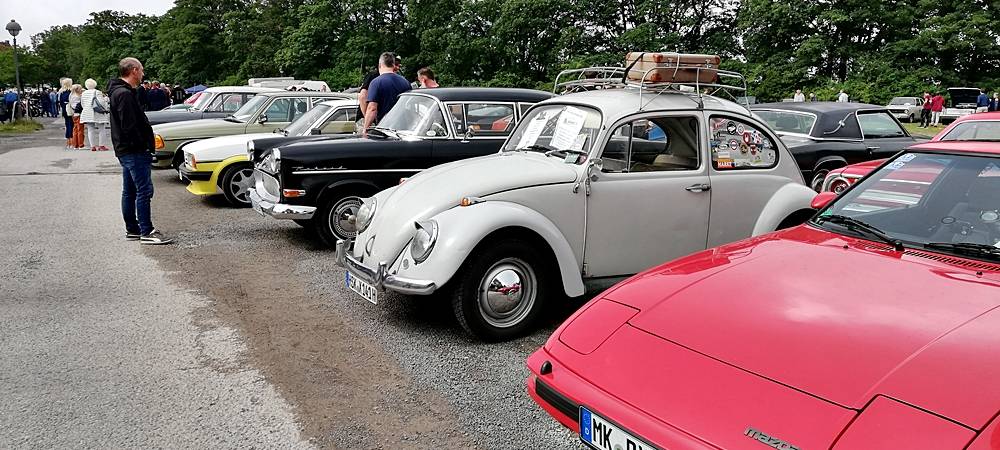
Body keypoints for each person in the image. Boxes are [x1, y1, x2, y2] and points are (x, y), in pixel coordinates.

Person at [108, 57, 172, 245]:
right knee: (144, 190)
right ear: (134, 70)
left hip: (126, 149)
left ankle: (133, 229)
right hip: (134, 150)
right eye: (141, 70)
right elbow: (129, 125)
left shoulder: (119, 92)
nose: (143, 74)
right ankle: (146, 231)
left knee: (130, 191)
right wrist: (143, 144)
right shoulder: (124, 94)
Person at [361, 52, 412, 137]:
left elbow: (372, 109)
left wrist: (365, 129)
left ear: (380, 65)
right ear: (393, 65)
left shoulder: (376, 82)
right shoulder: (405, 82)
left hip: (384, 129)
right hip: (403, 129)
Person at [80, 78, 111, 151]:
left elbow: (82, 104)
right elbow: (101, 103)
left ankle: (92, 146)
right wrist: (106, 101)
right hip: (97, 112)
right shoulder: (97, 92)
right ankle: (101, 145)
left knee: (90, 129)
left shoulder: (84, 93)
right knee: (101, 128)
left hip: (87, 113)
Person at [58, 78, 74, 147]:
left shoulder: (61, 92)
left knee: (67, 124)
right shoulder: (71, 92)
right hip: (71, 110)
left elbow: (60, 102)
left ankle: (68, 141)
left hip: (65, 110)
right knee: (72, 125)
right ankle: (72, 140)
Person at [69, 84, 86, 149]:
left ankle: (75, 144)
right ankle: (81, 145)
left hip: (74, 114)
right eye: (80, 89)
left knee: (75, 129)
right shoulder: (77, 97)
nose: (81, 90)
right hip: (78, 114)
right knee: (80, 129)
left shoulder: (71, 95)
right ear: (77, 90)